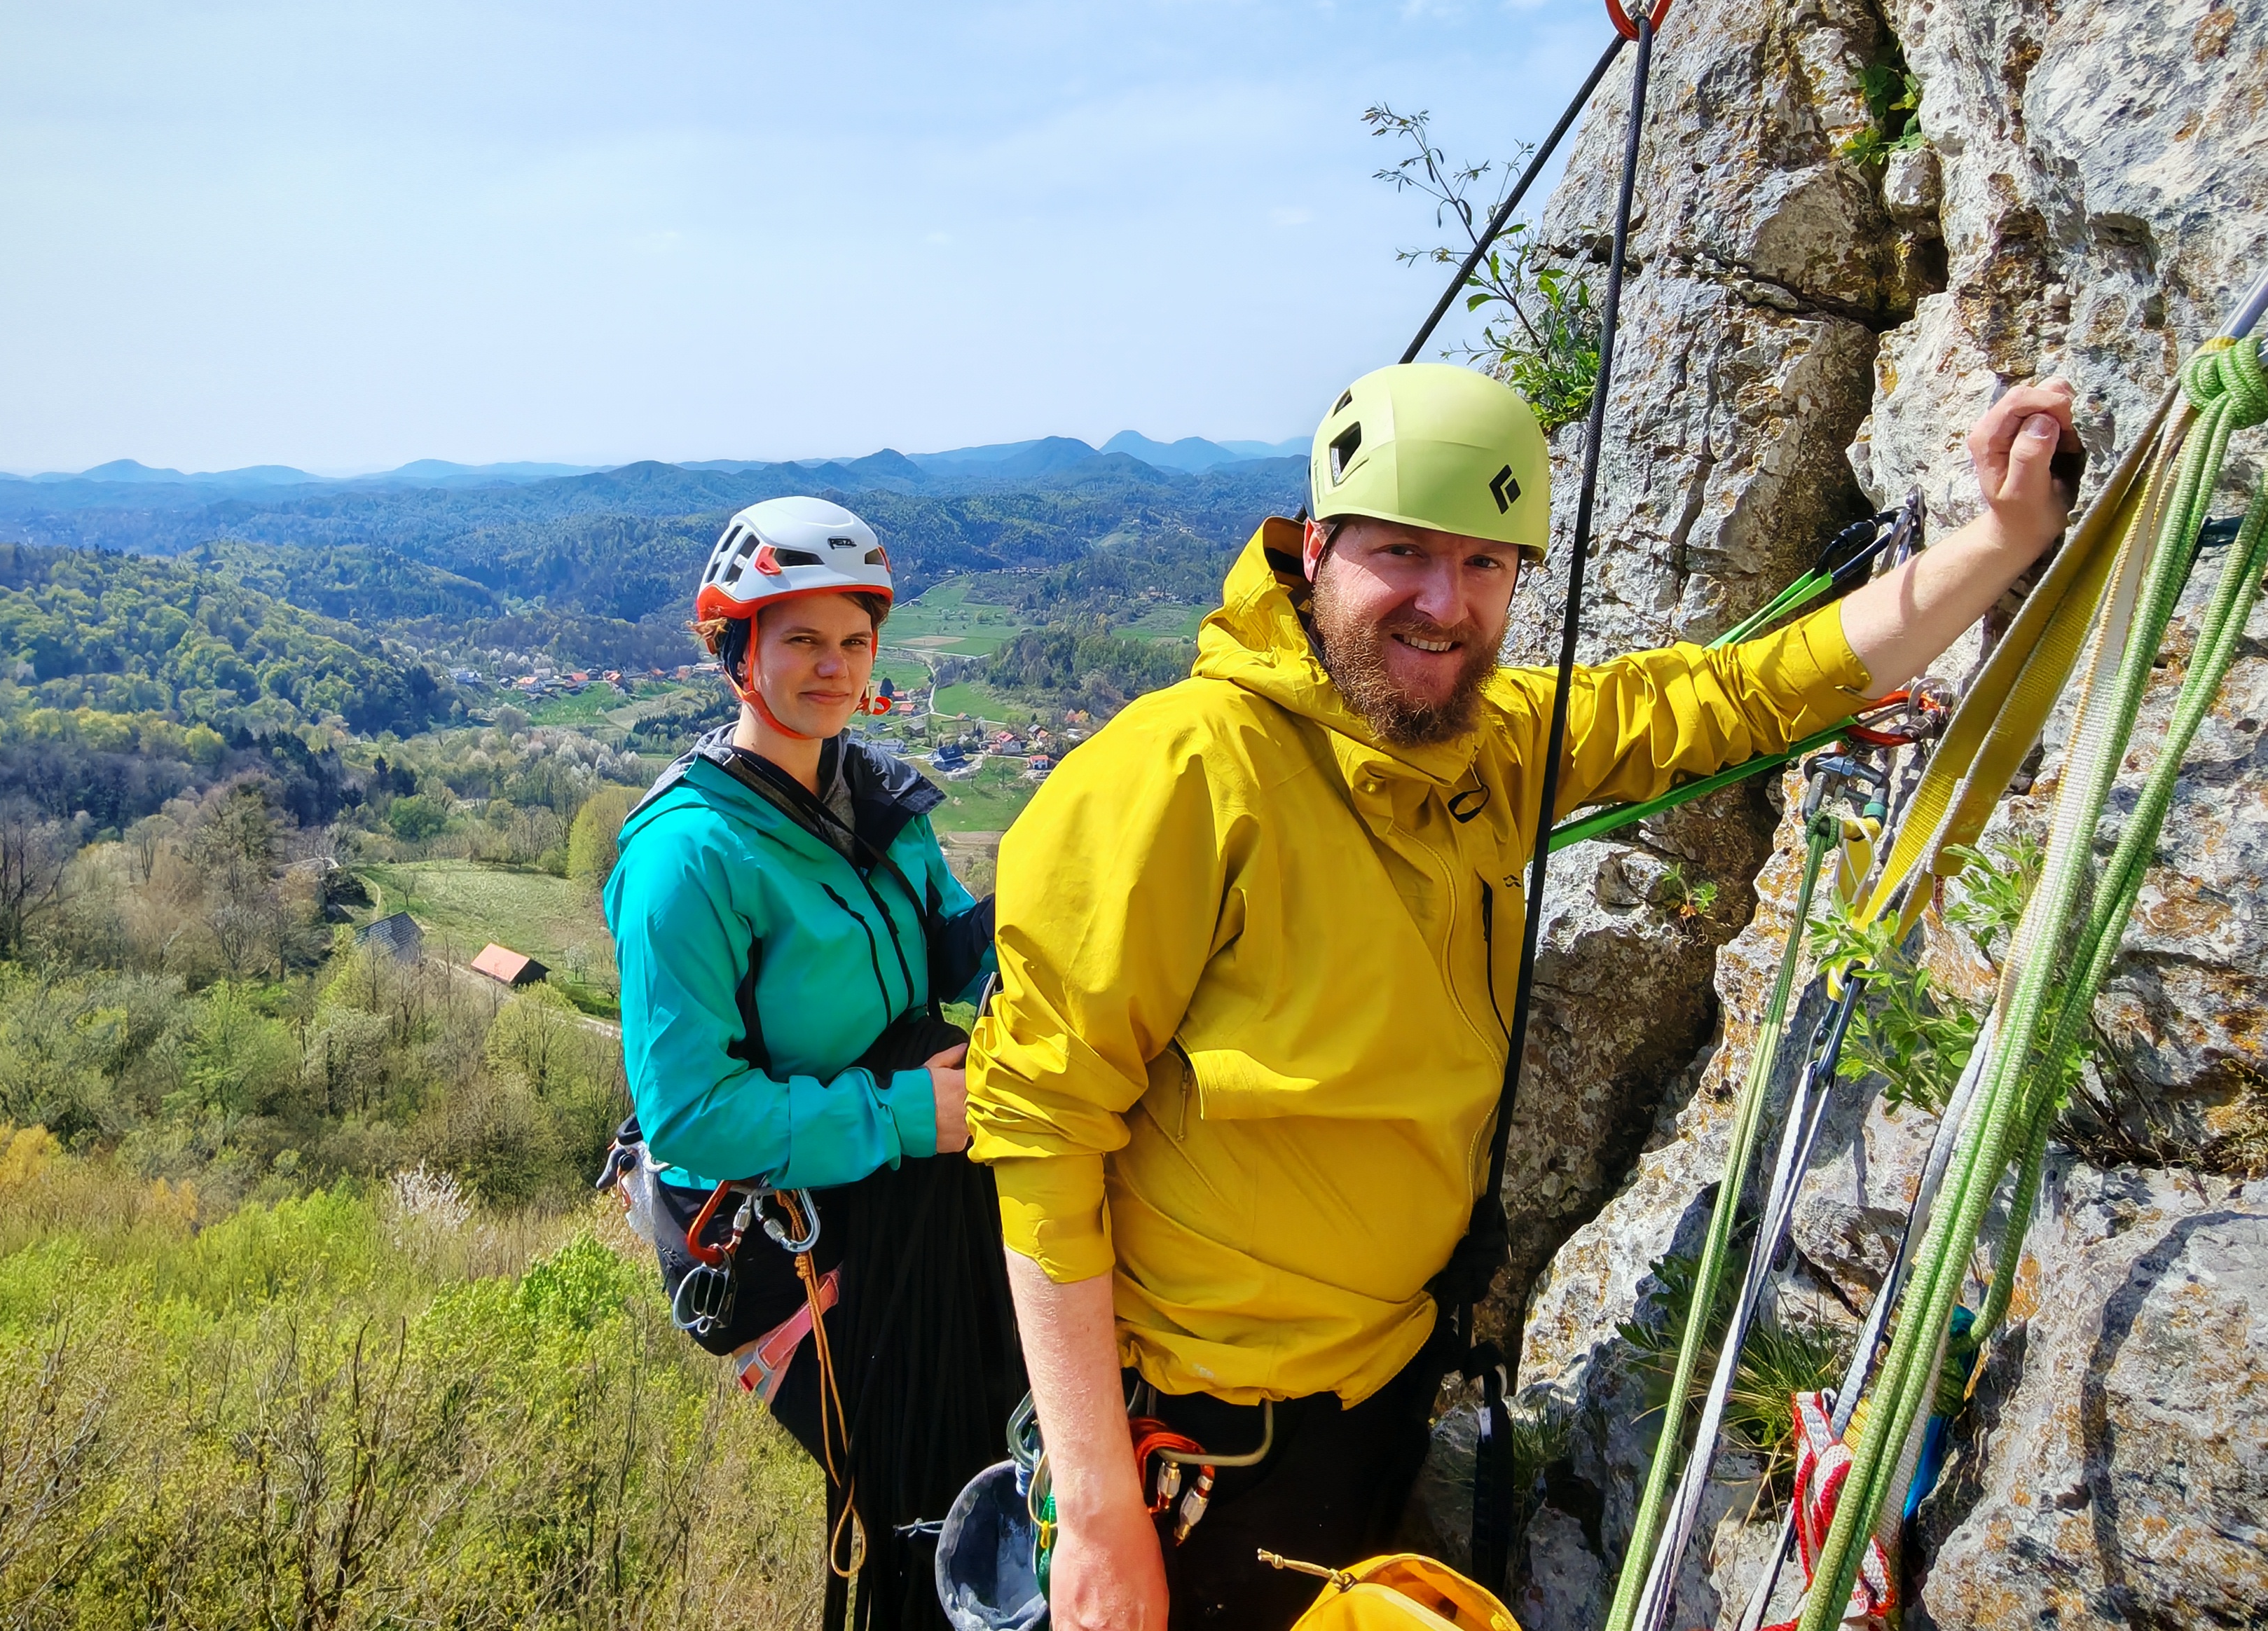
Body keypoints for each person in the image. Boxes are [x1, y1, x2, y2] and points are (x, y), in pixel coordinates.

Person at [965, 360, 2084, 1630]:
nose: (1446, 606)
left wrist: (2004, 539)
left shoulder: (1487, 748)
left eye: (1488, 564)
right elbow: (1040, 1131)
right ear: (1314, 549)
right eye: (1404, 554)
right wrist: (1103, 1516)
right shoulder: (1176, 778)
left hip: (1389, 1384)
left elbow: (1743, 696)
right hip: (1210, 1448)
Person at [602, 495, 1023, 1628]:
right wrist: (909, 1118)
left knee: (1002, 1429)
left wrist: (1045, 916)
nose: (833, 669)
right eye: (799, 640)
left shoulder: (869, 796)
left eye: (853, 641)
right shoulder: (688, 858)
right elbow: (692, 1114)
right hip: (792, 1228)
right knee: (914, 1496)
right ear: (736, 650)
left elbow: (942, 944)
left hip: (910, 1167)